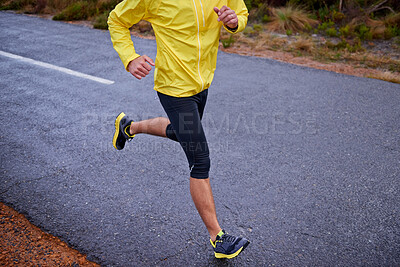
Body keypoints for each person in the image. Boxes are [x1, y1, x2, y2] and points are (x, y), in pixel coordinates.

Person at [108, 0, 249, 259]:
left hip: (203, 83)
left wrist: (234, 22)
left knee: (179, 132)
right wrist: (130, 57)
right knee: (199, 159)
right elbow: (116, 19)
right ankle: (217, 237)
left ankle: (129, 127)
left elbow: (240, 11)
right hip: (174, 88)